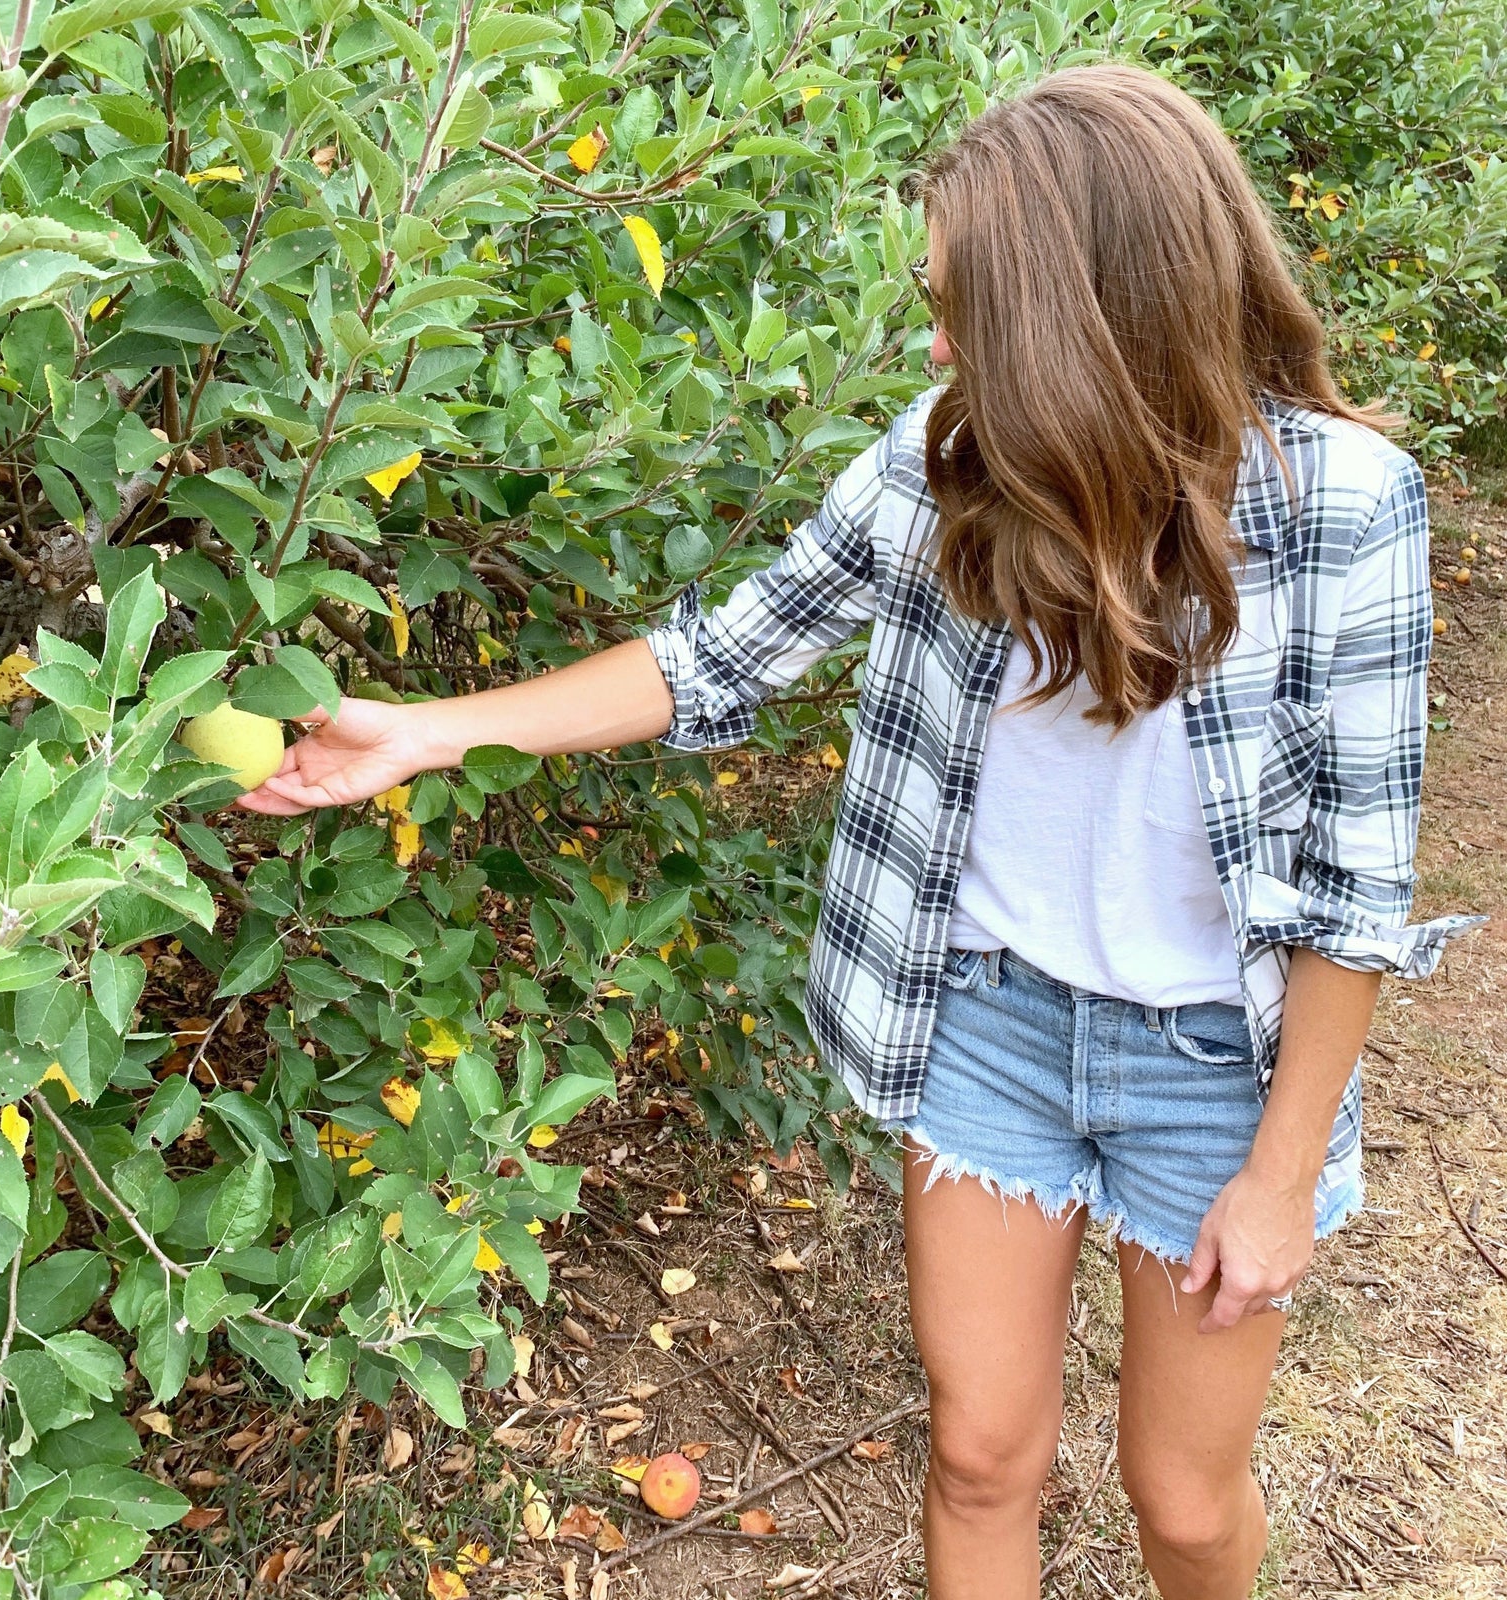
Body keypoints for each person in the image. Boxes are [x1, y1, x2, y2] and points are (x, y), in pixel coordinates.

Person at [237, 62, 1482, 1600]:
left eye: (970, 309)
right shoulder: (943, 462)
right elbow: (725, 655)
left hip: (1214, 1067)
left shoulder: (1347, 504)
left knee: (1182, 1496)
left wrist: (1282, 1175)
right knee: (979, 1454)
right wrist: (428, 732)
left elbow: (1352, 889)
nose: (941, 342)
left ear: (1086, 316)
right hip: (986, 1024)